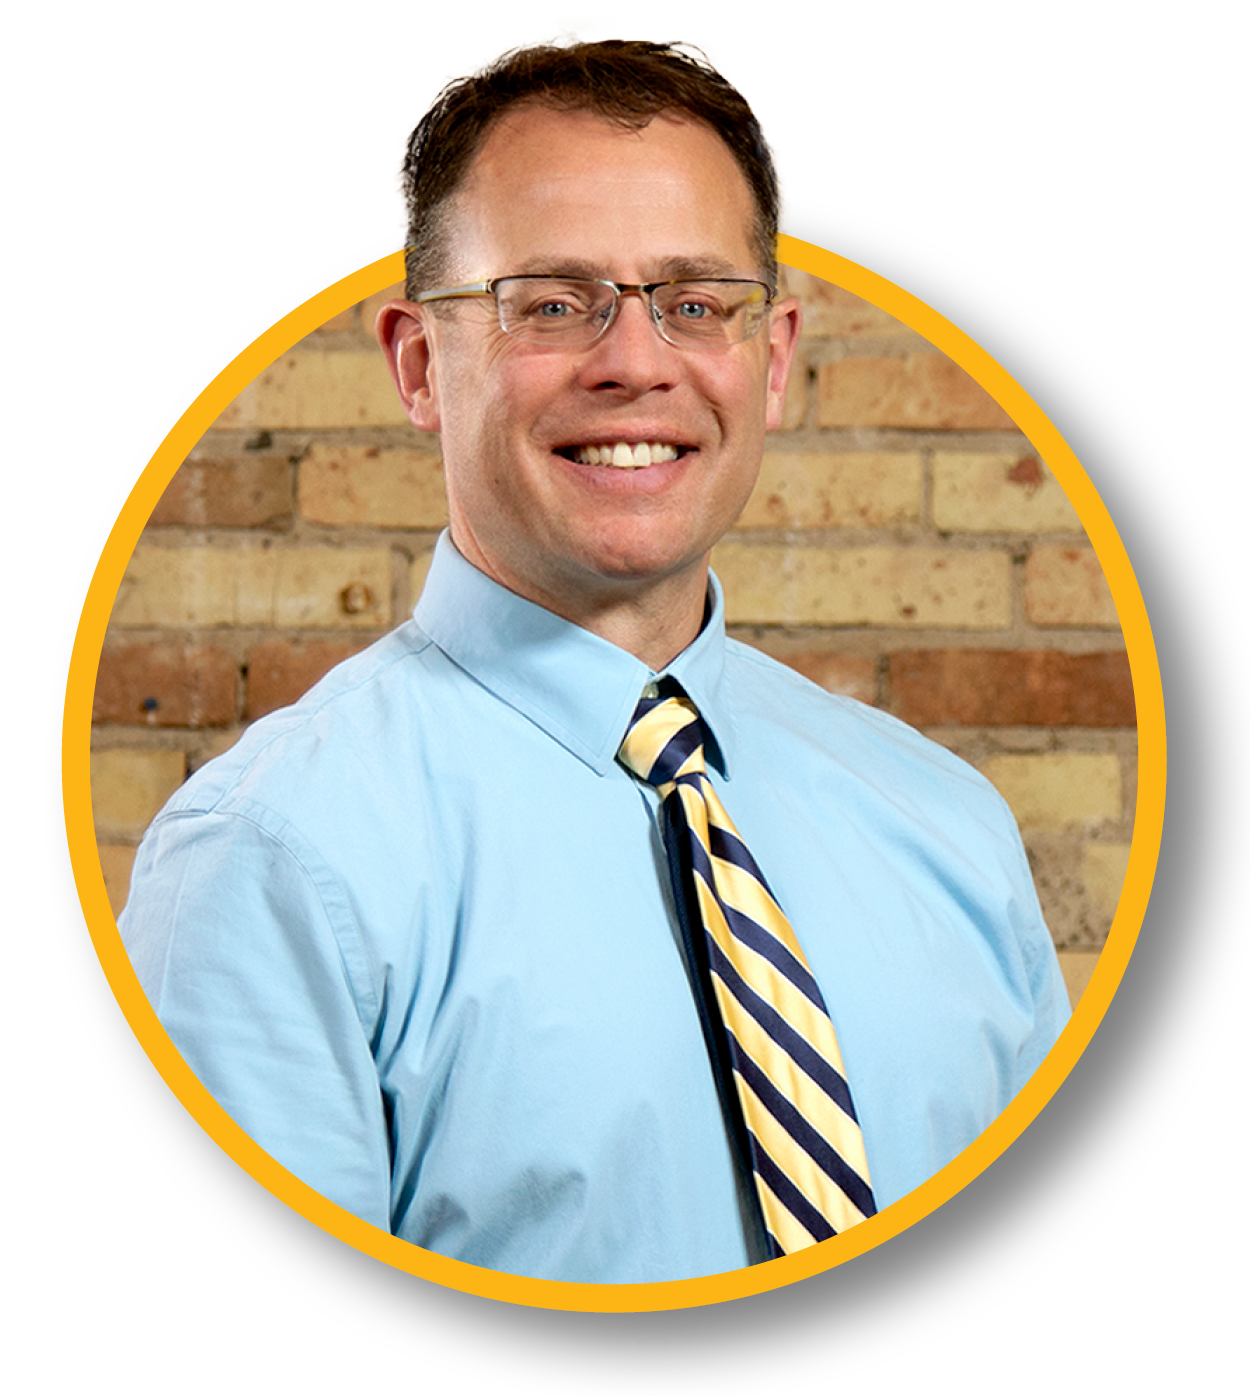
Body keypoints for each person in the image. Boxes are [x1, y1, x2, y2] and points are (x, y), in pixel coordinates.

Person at [119, 35, 1069, 1283]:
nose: (634, 361)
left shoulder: (945, 824)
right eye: (552, 304)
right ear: (417, 362)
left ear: (771, 357)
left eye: (693, 301)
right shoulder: (270, 860)